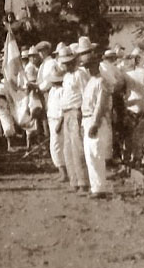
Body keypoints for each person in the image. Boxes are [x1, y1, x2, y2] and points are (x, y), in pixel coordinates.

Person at [80, 53, 112, 199]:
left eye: (91, 66)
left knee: (96, 154)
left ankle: (100, 189)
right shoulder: (90, 81)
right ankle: (95, 188)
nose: (89, 69)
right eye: (87, 67)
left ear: (97, 65)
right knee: (90, 155)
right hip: (87, 119)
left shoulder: (102, 81)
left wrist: (95, 123)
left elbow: (100, 105)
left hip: (96, 120)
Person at [60, 46, 89, 193]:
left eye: (67, 62)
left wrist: (81, 112)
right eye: (64, 63)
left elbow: (86, 94)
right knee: (68, 149)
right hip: (66, 112)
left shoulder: (80, 74)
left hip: (76, 111)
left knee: (78, 149)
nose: (65, 65)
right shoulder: (66, 77)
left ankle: (83, 182)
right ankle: (74, 181)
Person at [45, 69, 68, 181]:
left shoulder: (62, 91)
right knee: (55, 146)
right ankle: (61, 171)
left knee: (57, 146)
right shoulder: (52, 90)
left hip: (58, 120)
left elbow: (63, 108)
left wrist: (60, 122)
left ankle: (64, 172)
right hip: (51, 119)